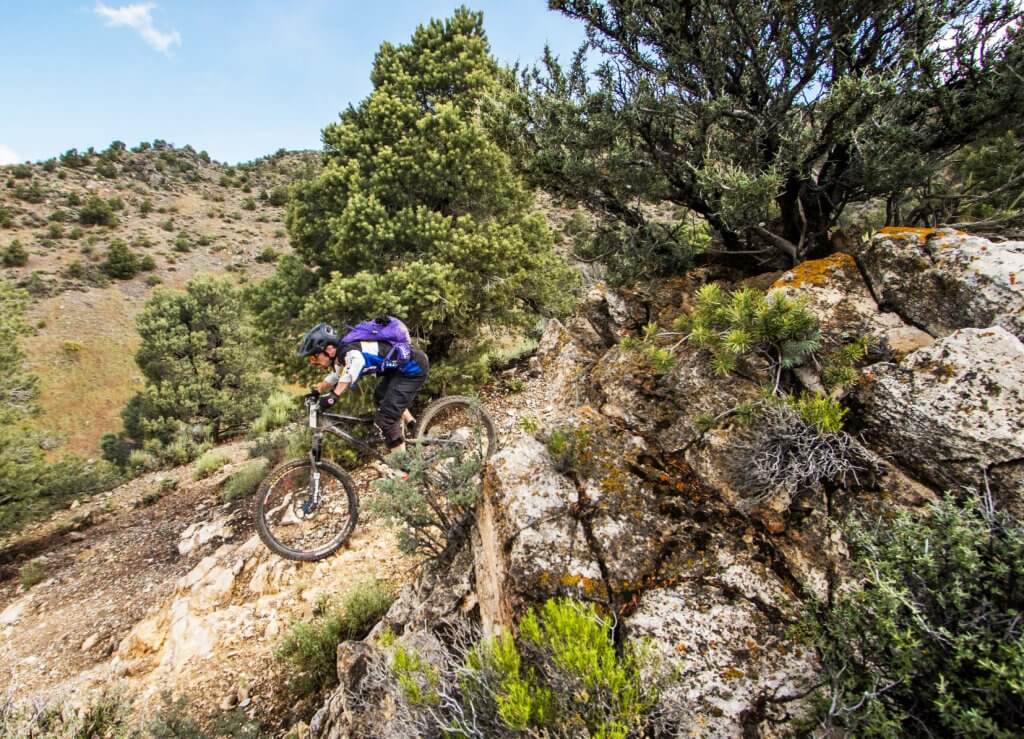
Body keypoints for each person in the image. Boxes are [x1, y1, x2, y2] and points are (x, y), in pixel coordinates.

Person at [297, 320, 428, 454]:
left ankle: (405, 468)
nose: (313, 362)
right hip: (399, 371)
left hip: (413, 368)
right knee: (381, 396)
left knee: (386, 420)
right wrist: (317, 391)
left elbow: (355, 365)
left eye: (314, 357)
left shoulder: (348, 352)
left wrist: (334, 395)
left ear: (329, 350)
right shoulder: (341, 356)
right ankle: (414, 426)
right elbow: (335, 376)